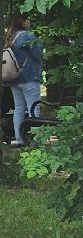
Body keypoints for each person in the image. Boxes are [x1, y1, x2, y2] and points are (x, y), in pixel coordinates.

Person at [6, 13, 43, 147]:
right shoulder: (28, 36)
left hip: (14, 78)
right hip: (29, 77)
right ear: (22, 22)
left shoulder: (11, 37)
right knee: (33, 108)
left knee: (19, 108)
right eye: (28, 19)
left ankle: (20, 139)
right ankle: (36, 139)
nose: (29, 22)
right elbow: (38, 54)